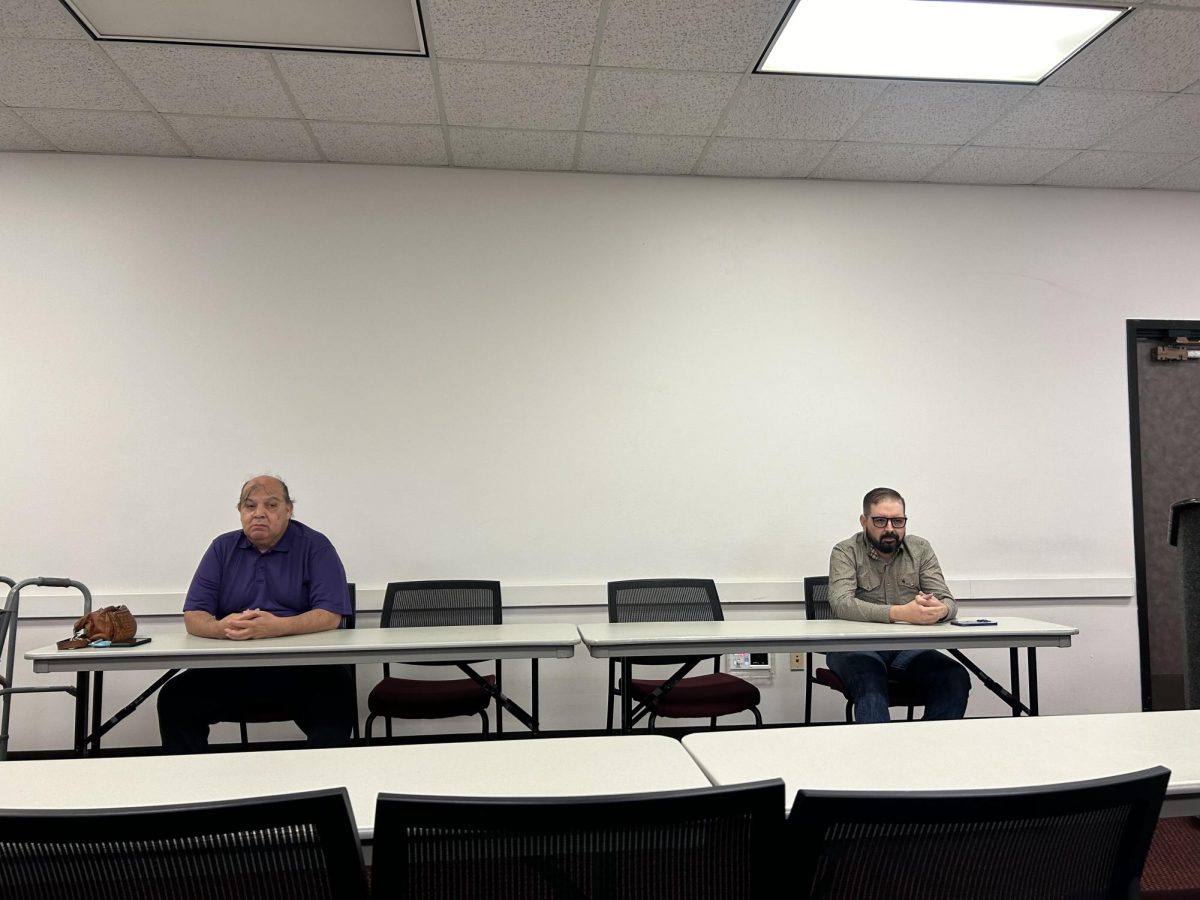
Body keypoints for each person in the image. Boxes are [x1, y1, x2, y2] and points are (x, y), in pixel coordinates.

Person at [157, 475, 357, 753]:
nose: (259, 514)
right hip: (232, 670)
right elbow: (194, 615)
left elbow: (330, 615)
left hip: (305, 670)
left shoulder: (315, 546)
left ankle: (323, 788)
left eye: (271, 505)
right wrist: (222, 627)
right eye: (250, 506)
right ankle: (193, 787)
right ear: (240, 512)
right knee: (175, 698)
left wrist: (278, 627)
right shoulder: (222, 548)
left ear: (289, 510)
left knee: (338, 695)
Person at [825, 486, 970, 723]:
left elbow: (948, 601)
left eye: (898, 521)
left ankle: (931, 751)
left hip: (907, 647)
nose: (890, 529)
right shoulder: (845, 550)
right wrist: (901, 612)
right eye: (881, 521)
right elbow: (842, 604)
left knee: (954, 676)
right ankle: (879, 758)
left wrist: (939, 609)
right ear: (864, 521)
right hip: (855, 646)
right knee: (871, 684)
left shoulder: (920, 549)